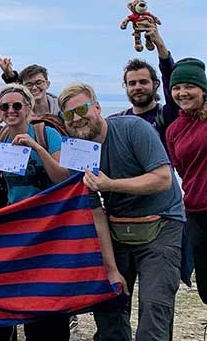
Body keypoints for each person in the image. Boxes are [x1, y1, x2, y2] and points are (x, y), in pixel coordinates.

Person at [58, 82, 183, 341]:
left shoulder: (134, 129)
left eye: (82, 109)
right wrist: (110, 268)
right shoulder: (77, 152)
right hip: (118, 229)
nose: (77, 118)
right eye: (69, 114)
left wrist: (111, 185)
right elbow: (95, 212)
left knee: (154, 309)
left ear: (98, 107)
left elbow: (163, 179)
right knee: (109, 308)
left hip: (162, 224)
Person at [0, 83, 71, 340]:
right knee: (14, 291)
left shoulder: (45, 133)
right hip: (16, 226)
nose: (10, 110)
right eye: (5, 106)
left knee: (44, 297)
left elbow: (62, 177)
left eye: (16, 105)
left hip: (48, 227)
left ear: (28, 108)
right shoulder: (1, 140)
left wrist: (36, 148)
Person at [164, 58, 207, 306]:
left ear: (202, 89)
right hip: (194, 212)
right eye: (177, 88)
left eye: (189, 86)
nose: (182, 93)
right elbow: (181, 169)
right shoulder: (174, 130)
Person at [112, 20, 178, 148]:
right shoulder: (117, 121)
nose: (137, 87)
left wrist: (159, 45)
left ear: (155, 84)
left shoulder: (166, 115)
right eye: (132, 83)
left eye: (143, 82)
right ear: (126, 86)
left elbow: (170, 78)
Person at [0, 52, 61, 116]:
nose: (34, 88)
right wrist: (9, 75)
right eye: (29, 85)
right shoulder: (19, 110)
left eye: (39, 83)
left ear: (47, 84)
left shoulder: (61, 107)